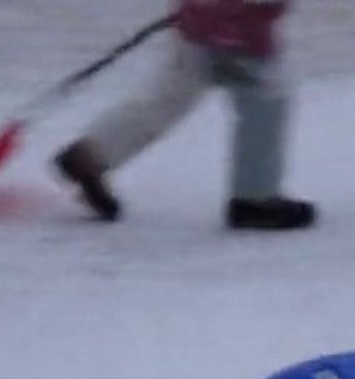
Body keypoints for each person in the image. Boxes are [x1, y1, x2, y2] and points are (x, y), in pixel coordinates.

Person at [53, 0, 315, 230]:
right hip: (239, 29)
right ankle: (255, 199)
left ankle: (94, 152)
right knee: (265, 101)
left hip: (199, 21)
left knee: (168, 96)